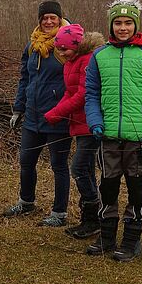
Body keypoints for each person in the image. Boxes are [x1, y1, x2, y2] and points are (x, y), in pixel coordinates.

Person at [84, 0, 142, 262]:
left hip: (138, 139)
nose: (123, 28)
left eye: (128, 23)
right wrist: (95, 122)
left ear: (135, 25)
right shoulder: (99, 56)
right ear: (111, 26)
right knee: (107, 188)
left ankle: (131, 240)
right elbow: (91, 94)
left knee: (135, 189)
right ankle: (106, 237)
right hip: (107, 136)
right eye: (118, 23)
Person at [4, 0, 72, 227]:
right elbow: (25, 78)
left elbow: (77, 80)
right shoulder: (32, 46)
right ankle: (26, 202)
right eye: (45, 18)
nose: (49, 21)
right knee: (26, 161)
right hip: (32, 116)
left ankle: (60, 213)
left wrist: (66, 108)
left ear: (60, 19)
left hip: (58, 116)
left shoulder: (67, 45)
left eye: (53, 17)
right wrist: (18, 108)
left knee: (59, 165)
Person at [44, 24, 105, 238]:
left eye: (65, 49)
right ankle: (91, 220)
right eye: (58, 49)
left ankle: (95, 217)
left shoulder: (87, 61)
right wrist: (54, 112)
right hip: (78, 126)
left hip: (90, 124)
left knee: (78, 169)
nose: (61, 53)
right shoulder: (70, 63)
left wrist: (58, 112)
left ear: (77, 46)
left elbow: (82, 95)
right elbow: (69, 93)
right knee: (86, 170)